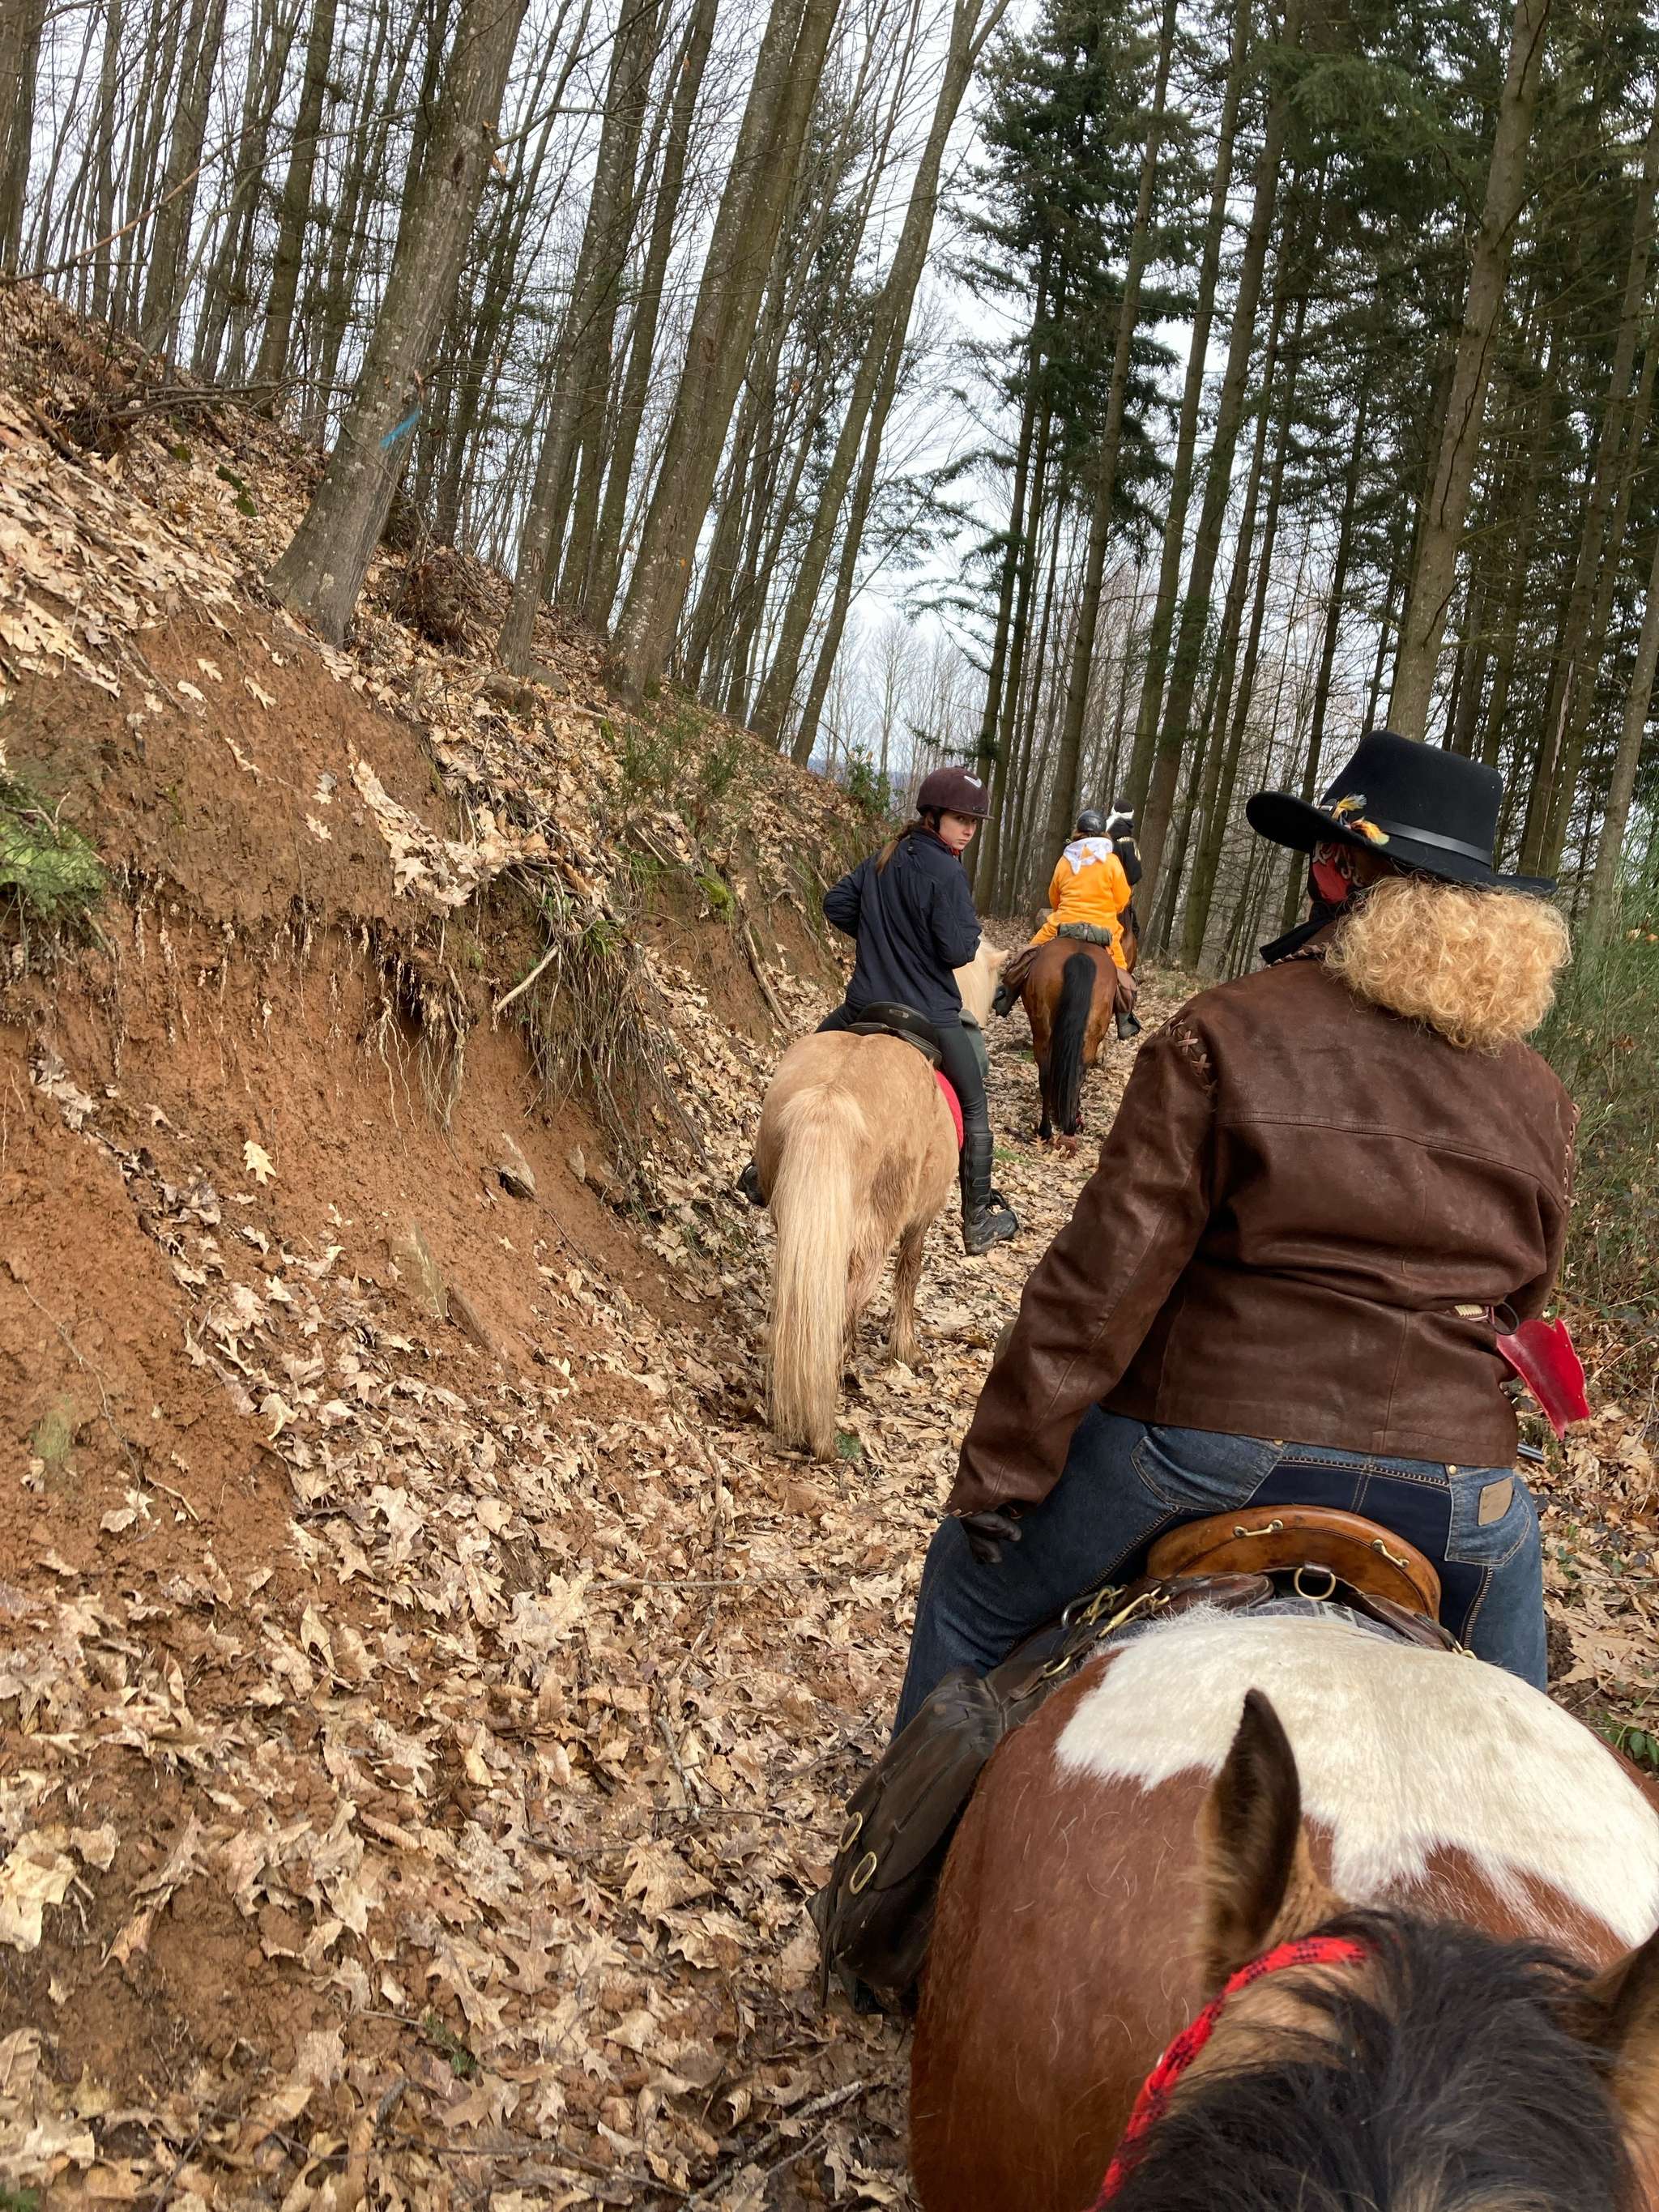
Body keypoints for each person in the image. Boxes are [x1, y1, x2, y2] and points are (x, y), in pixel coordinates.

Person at [893, 729, 1575, 1725]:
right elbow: (1521, 1303)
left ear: (1335, 872)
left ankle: (899, 1829)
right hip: (1455, 1487)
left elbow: (1100, 1286)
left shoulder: (1223, 1031)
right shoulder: (1539, 1096)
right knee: (1526, 1740)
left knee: (966, 1590)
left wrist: (1004, 1471)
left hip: (1206, 1445)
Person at [744, 765, 1018, 1258]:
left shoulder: (883, 857)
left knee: (808, 1054)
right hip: (931, 1015)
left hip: (864, 1004)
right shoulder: (949, 872)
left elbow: (835, 904)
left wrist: (881, 935)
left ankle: (760, 1171)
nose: (969, 830)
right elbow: (959, 950)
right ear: (933, 815)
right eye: (961, 819)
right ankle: (978, 1217)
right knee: (975, 1104)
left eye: (974, 822)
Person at [991, 808, 1140, 1036]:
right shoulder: (1112, 862)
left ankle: (1006, 995)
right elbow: (1121, 900)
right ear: (1104, 833)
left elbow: (1055, 897)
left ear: (1078, 832)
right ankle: (1125, 1018)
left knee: (1027, 954)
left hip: (1063, 925)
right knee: (1121, 971)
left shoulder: (1066, 859)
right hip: (1104, 930)